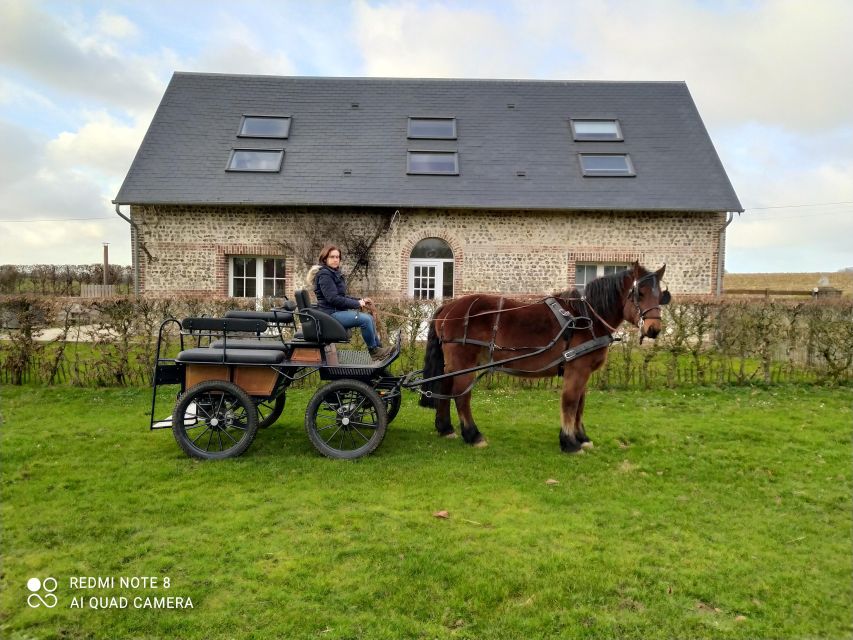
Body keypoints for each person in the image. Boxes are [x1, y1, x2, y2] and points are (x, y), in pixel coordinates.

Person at [311, 244, 392, 361]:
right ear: (325, 259)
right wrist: (357, 304)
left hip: (335, 312)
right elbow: (333, 299)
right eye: (332, 257)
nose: (335, 260)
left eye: (337, 257)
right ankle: (374, 351)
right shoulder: (325, 275)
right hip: (330, 315)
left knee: (368, 318)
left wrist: (360, 300)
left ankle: (379, 349)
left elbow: (341, 296)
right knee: (365, 320)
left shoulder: (332, 273)